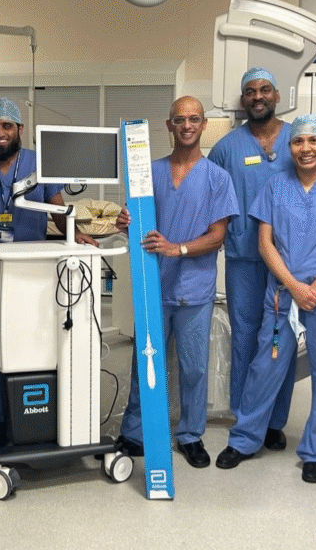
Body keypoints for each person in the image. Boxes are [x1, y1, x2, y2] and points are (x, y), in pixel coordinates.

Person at [214, 114, 316, 482]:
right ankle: (245, 438)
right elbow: (265, 244)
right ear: (290, 147)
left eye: (313, 141)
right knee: (265, 365)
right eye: (298, 141)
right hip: (283, 294)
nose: (305, 148)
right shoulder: (275, 187)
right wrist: (295, 286)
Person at [0, 98, 94, 443]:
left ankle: (31, 415)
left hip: (32, 278)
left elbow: (58, 212)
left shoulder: (38, 164)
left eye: (7, 126)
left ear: (20, 129)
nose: (0, 133)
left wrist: (77, 235)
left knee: (32, 346)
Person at [117, 96, 238, 468]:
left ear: (203, 125)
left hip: (194, 290)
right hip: (153, 286)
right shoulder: (148, 173)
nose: (187, 125)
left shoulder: (217, 178)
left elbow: (217, 236)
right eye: (180, 119)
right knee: (145, 361)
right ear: (169, 125)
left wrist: (177, 248)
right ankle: (134, 431)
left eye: (194, 119)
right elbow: (140, 224)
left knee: (194, 367)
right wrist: (126, 224)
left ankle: (190, 435)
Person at [208, 67, 296, 451]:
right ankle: (246, 417)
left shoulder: (298, 139)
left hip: (289, 257)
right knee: (245, 337)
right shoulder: (226, 148)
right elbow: (208, 198)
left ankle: (274, 421)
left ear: (277, 96)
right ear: (243, 99)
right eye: (250, 91)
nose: (257, 96)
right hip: (244, 257)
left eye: (264, 90)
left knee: (279, 339)